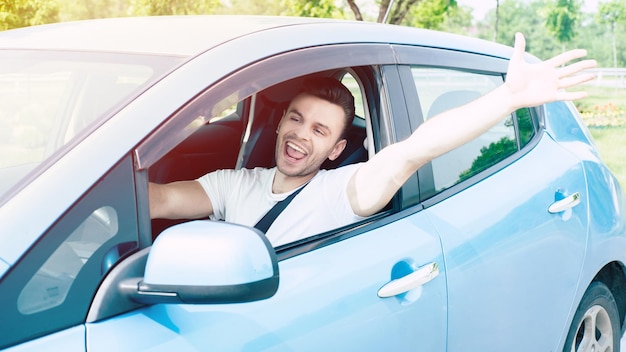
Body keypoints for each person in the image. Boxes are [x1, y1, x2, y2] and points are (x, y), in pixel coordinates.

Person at [149, 33, 597, 246]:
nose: (299, 135)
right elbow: (162, 201)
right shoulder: (236, 183)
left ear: (337, 150)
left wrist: (507, 98)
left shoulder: (337, 194)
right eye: (296, 119)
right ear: (282, 120)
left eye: (319, 131)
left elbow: (415, 149)